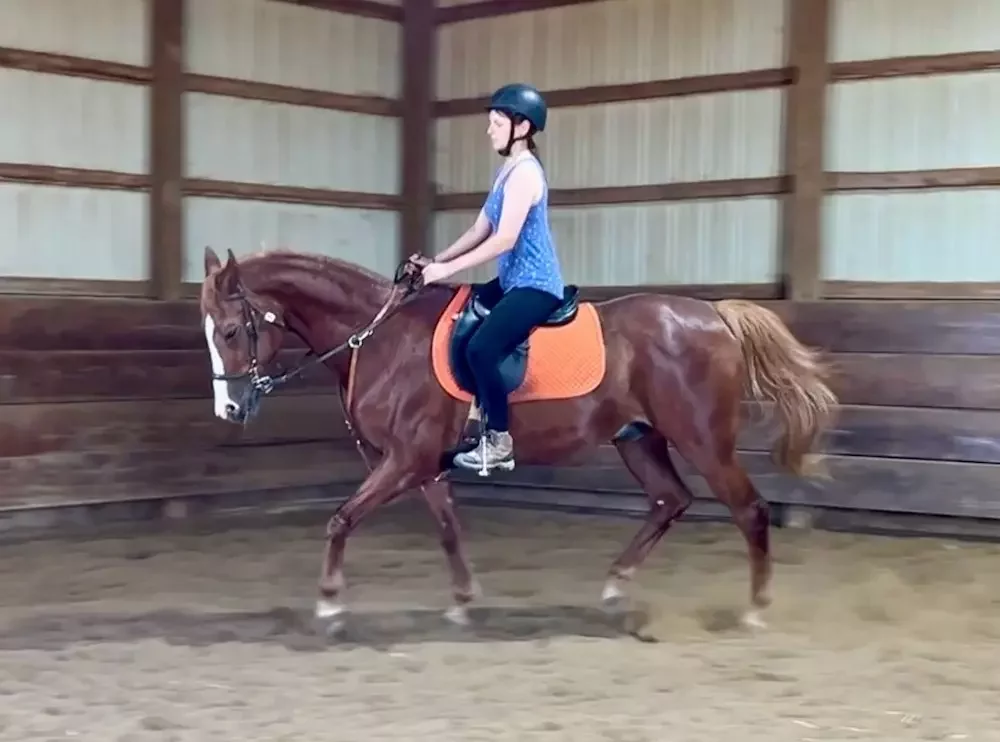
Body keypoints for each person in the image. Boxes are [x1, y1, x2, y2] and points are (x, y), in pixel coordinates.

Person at [414, 82, 566, 473]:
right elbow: (479, 229)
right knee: (460, 313)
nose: (489, 130)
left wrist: (446, 270)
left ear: (522, 127)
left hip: (535, 285)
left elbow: (504, 239)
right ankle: (467, 419)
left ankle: (499, 441)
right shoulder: (506, 172)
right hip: (513, 280)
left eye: (496, 122)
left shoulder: (526, 175)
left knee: (482, 348)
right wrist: (435, 260)